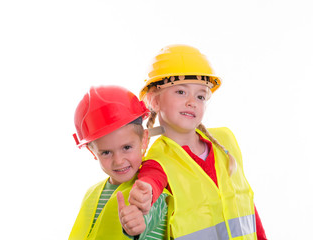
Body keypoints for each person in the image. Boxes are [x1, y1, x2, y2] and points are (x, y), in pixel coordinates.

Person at [124, 44, 267, 239]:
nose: (192, 101)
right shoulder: (158, 159)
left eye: (200, 96)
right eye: (181, 92)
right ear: (155, 101)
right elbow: (151, 182)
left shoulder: (226, 141)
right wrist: (145, 192)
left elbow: (247, 205)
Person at [68, 85, 171, 240]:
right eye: (106, 152)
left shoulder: (150, 190)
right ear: (92, 151)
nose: (118, 161)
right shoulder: (91, 194)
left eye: (127, 147)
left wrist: (137, 224)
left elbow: (152, 213)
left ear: (144, 140)